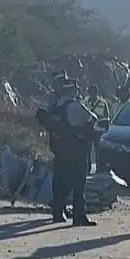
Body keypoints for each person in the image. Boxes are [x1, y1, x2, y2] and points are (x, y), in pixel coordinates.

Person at [38, 77, 97, 226]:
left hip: (59, 150)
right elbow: (92, 118)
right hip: (76, 151)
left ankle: (57, 214)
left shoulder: (55, 108)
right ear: (72, 91)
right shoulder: (74, 106)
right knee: (78, 186)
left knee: (59, 184)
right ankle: (79, 217)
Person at [85, 84, 111, 172]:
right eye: (90, 92)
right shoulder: (84, 102)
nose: (92, 94)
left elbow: (107, 117)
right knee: (87, 149)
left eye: (93, 92)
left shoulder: (103, 103)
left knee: (98, 149)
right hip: (87, 129)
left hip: (99, 130)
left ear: (96, 93)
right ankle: (87, 166)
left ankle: (99, 166)